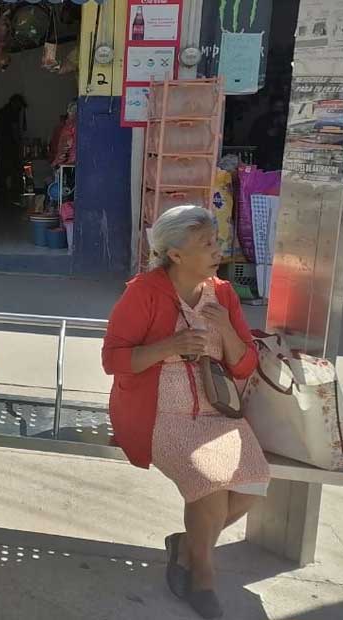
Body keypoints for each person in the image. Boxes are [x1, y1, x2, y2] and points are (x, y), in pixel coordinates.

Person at [101, 206, 265, 620]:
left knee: (252, 484)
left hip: (217, 409)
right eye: (206, 244)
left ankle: (187, 548)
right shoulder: (144, 292)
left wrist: (226, 329)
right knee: (210, 485)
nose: (217, 250)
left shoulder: (223, 293)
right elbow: (113, 359)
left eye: (215, 240)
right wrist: (167, 348)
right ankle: (202, 578)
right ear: (174, 254)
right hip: (156, 411)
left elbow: (245, 366)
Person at [0, 94, 27, 203]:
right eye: (19, 106)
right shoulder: (12, 113)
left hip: (1, 147)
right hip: (10, 148)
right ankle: (14, 197)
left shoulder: (0, 112)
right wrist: (20, 143)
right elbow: (15, 130)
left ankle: (2, 198)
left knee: (2, 174)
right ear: (15, 103)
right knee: (15, 173)